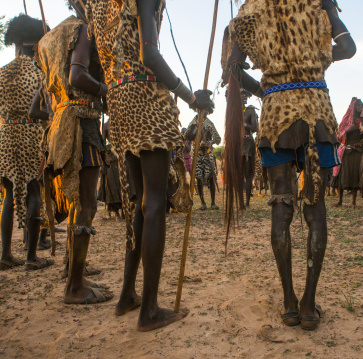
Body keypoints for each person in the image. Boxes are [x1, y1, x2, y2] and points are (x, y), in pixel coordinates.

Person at [223, 0, 356, 330]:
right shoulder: (318, 2)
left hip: (276, 115)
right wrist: (313, 59)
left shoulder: (249, 12)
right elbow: (348, 47)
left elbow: (231, 71)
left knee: (281, 207)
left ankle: (289, 302)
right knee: (316, 207)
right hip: (317, 109)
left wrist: (267, 85)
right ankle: (309, 304)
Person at [87, 0, 213, 331]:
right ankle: (151, 311)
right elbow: (150, 55)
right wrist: (190, 97)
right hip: (144, 96)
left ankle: (128, 295)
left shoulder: (101, 6)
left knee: (139, 203)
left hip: (118, 100)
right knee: (154, 202)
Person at [37, 2, 113, 303]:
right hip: (81, 120)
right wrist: (107, 90)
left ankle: (72, 267)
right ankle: (75, 286)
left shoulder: (51, 37)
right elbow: (77, 76)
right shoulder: (82, 30)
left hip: (60, 121)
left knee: (76, 202)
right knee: (87, 205)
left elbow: (49, 90)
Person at [0, 15, 53, 271]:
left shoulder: (1, 74)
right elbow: (45, 108)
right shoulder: (39, 73)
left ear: (16, 43)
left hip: (7, 135)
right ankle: (31, 256)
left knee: (9, 193)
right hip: (31, 134)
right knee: (34, 190)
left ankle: (6, 253)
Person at [335, 98, 363, 208]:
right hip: (346, 152)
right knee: (341, 176)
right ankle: (340, 200)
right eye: (357, 106)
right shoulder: (345, 122)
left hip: (357, 152)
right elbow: (340, 135)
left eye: (360, 106)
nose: (359, 108)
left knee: (355, 176)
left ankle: (353, 202)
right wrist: (349, 129)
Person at [185, 111, 221, 210]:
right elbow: (186, 136)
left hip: (208, 153)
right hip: (197, 154)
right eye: (200, 109)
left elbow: (218, 139)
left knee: (211, 177)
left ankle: (213, 203)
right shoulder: (192, 124)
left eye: (205, 109)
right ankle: (203, 203)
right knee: (198, 178)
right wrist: (194, 141)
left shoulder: (209, 123)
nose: (203, 111)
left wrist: (210, 142)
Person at [241, 90, 259, 207]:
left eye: (245, 95)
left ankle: (247, 202)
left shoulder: (250, 110)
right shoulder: (233, 112)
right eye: (241, 95)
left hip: (247, 143)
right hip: (236, 144)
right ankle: (240, 201)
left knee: (247, 173)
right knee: (238, 173)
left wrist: (244, 124)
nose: (243, 98)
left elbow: (255, 127)